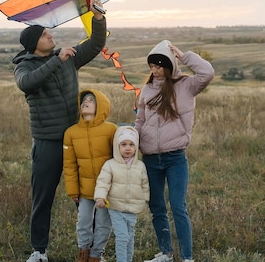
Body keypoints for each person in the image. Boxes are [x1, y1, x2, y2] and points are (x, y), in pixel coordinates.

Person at [13, 0, 107, 262]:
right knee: (42, 199)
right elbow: (27, 83)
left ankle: (93, 251)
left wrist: (98, 19)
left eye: (48, 32)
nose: (50, 35)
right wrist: (58, 60)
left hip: (77, 139)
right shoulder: (25, 66)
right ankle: (39, 251)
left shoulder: (66, 59)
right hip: (47, 144)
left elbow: (95, 45)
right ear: (34, 44)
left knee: (87, 197)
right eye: (44, 34)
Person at [134, 40, 214, 262]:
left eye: (159, 66)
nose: (155, 70)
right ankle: (165, 253)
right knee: (157, 206)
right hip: (150, 158)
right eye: (152, 66)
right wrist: (132, 139)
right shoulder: (147, 90)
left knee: (178, 206)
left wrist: (185, 56)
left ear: (169, 65)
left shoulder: (186, 85)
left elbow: (207, 73)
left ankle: (187, 257)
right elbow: (140, 120)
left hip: (175, 158)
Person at [63, 90, 118, 262]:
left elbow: (118, 159)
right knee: (83, 223)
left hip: (107, 190)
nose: (85, 102)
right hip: (84, 190)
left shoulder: (111, 129)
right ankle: (83, 254)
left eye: (91, 100)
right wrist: (73, 191)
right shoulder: (71, 133)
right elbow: (69, 165)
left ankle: (96, 256)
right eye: (83, 100)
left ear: (100, 106)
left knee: (103, 224)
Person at [94, 126, 150, 262]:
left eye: (131, 144)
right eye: (123, 144)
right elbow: (103, 182)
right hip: (116, 207)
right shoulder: (110, 165)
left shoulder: (140, 166)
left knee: (130, 236)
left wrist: (146, 200)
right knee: (122, 236)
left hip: (133, 208)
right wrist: (100, 197)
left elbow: (144, 184)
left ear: (136, 147)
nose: (128, 148)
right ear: (117, 147)